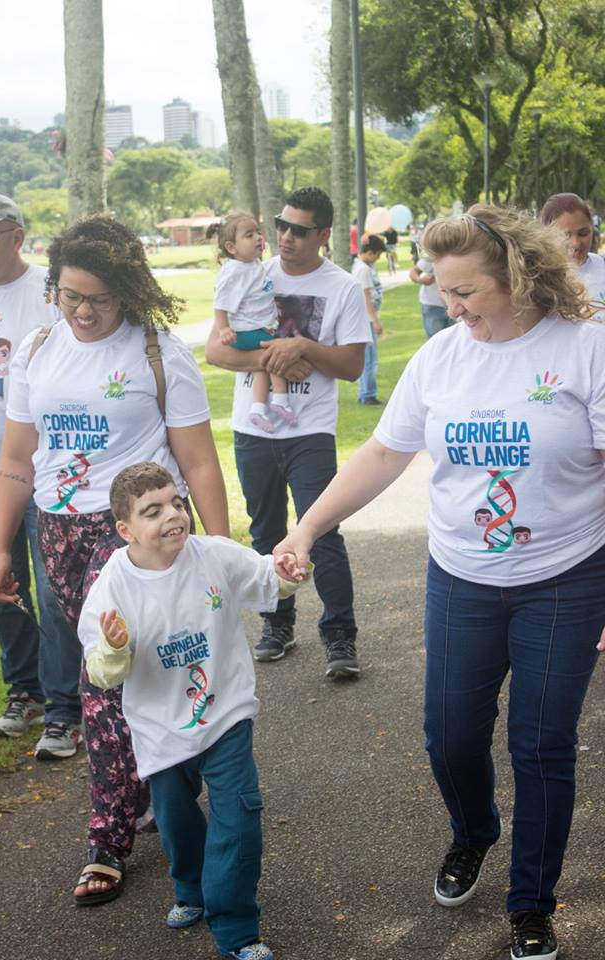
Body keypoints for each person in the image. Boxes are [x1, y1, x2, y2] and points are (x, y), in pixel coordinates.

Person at [274, 203, 605, 960]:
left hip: (565, 578)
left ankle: (532, 903)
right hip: (462, 577)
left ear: (518, 276)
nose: (450, 307)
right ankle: (473, 832)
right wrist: (306, 528)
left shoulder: (587, 348)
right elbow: (383, 454)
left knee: (542, 744)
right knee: (450, 735)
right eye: (442, 290)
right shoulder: (440, 358)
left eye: (465, 292)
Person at [0, 214, 229, 906]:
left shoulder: (158, 354)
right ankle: (160, 781)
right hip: (57, 531)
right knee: (137, 673)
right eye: (70, 296)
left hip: (135, 535)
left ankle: (107, 837)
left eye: (98, 298)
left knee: (101, 673)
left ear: (126, 290)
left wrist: (215, 553)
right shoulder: (37, 349)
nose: (84, 312)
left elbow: (197, 461)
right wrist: (2, 547)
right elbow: (17, 459)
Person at [78, 462, 308, 960]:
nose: (172, 515)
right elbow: (102, 671)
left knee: (239, 819)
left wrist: (287, 573)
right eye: (152, 511)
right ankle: (191, 887)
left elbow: (265, 578)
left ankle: (237, 931)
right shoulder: (113, 585)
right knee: (177, 823)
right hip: (160, 729)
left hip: (225, 714)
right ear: (125, 530)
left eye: (176, 503)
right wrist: (114, 647)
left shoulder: (213, 554)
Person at [206, 186, 371, 676]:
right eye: (280, 225)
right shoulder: (251, 272)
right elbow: (215, 350)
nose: (285, 236)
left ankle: (339, 638)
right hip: (253, 429)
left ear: (323, 234)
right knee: (266, 533)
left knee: (322, 534)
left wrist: (304, 348)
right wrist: (271, 359)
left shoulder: (342, 287)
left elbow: (352, 366)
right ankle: (277, 625)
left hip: (310, 431)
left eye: (299, 230)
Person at [0, 190, 80, 755]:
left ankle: (65, 709)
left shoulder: (49, 295)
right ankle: (25, 693)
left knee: (56, 593)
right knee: (0, 588)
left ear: (16, 236)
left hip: (42, 474)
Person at [213, 212, 297, 433]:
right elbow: (220, 302)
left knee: (261, 366)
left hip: (255, 328)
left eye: (258, 232)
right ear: (232, 247)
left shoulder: (252, 264)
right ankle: (280, 399)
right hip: (244, 331)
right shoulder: (234, 270)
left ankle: (257, 408)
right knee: (276, 350)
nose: (258, 237)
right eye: (249, 235)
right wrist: (223, 329)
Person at [540, 192, 605, 320]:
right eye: (565, 236)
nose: (576, 243)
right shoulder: (539, 282)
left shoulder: (602, 265)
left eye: (583, 233)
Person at [352, 233, 385, 405]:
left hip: (368, 319)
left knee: (370, 358)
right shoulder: (363, 270)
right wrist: (376, 321)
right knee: (370, 359)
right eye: (377, 255)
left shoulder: (366, 267)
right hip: (367, 320)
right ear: (370, 252)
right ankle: (367, 394)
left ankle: (366, 392)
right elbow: (366, 298)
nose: (378, 259)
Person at [409, 253, 454, 338]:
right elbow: (413, 271)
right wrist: (420, 280)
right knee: (435, 340)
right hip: (433, 305)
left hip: (455, 305)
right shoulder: (433, 255)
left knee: (456, 340)